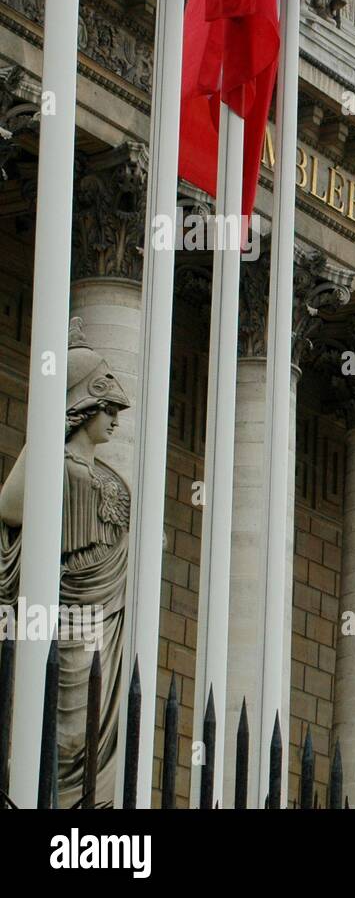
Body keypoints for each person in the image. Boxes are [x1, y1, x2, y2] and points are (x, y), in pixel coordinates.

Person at [0, 319, 131, 807]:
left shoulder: (114, 478)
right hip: (62, 614)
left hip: (104, 620)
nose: (116, 419)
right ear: (83, 408)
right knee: (59, 728)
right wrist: (48, 423)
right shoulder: (54, 464)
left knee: (93, 732)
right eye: (108, 409)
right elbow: (10, 510)